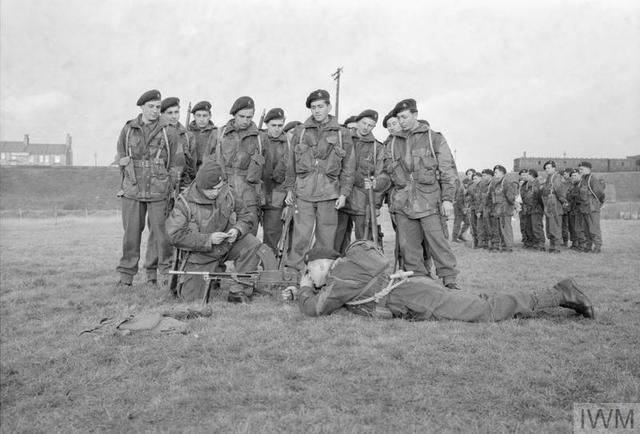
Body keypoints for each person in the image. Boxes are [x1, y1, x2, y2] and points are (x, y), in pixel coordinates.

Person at [287, 242, 594, 321]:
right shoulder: (349, 268)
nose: (311, 279)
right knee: (478, 302)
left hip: (414, 298)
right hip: (415, 288)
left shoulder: (341, 275)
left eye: (310, 272)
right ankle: (554, 293)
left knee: (484, 312)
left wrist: (303, 290)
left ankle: (559, 293)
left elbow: (317, 308)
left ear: (320, 264)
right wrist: (303, 287)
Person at [385, 98, 459, 289]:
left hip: (429, 202)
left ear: (415, 115)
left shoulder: (434, 138)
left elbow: (448, 170)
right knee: (409, 247)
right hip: (403, 204)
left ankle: (449, 280)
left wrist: (448, 199)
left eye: (405, 116)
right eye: (399, 118)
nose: (401, 121)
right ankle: (419, 281)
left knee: (438, 243)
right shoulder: (392, 143)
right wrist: (376, 184)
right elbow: (385, 174)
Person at [165, 159, 262, 303]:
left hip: (225, 246)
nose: (217, 192)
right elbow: (174, 236)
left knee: (252, 244)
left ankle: (239, 290)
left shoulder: (227, 192)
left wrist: (237, 230)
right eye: (212, 189)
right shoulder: (184, 202)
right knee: (193, 300)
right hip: (201, 254)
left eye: (219, 187)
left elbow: (247, 216)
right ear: (201, 186)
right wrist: (208, 239)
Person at [282, 89, 355, 271]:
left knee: (326, 239)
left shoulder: (342, 133)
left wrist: (344, 194)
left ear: (328, 107)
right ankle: (294, 273)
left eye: (320, 106)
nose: (317, 110)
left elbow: (349, 167)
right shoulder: (300, 131)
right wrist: (290, 189)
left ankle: (321, 274)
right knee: (300, 237)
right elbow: (290, 164)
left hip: (330, 193)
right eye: (313, 107)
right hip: (304, 193)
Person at [115, 89, 181, 288]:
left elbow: (176, 164)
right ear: (142, 107)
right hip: (133, 191)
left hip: (159, 191)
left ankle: (164, 276)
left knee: (163, 236)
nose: (154, 111)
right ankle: (126, 277)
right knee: (131, 236)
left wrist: (171, 188)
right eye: (150, 107)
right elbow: (120, 156)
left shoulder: (169, 131)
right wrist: (123, 166)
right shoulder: (128, 129)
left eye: (158, 107)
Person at [334, 109, 390, 254]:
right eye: (364, 123)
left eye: (370, 125)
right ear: (357, 122)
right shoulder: (344, 141)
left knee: (365, 242)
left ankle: (365, 272)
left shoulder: (378, 148)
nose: (366, 127)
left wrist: (376, 205)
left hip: (363, 203)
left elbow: (381, 177)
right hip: (340, 199)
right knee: (336, 240)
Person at [211, 96, 265, 235]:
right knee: (221, 233)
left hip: (249, 195)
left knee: (249, 234)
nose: (246, 121)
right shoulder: (219, 134)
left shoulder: (260, 138)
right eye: (242, 116)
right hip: (223, 192)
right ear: (234, 114)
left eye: (249, 117)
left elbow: (266, 171)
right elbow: (207, 166)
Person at [260, 108, 291, 254]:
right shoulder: (258, 140)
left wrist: (287, 201)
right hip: (256, 193)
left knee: (272, 235)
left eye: (280, 125)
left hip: (277, 196)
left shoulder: (290, 144)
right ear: (267, 124)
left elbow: (293, 174)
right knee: (248, 233)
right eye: (273, 125)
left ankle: (268, 267)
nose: (277, 129)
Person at [487, 165, 518, 252]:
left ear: (502, 172)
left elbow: (511, 197)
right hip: (498, 210)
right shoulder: (497, 183)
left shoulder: (506, 182)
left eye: (496, 172)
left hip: (505, 210)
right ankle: (504, 246)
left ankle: (508, 247)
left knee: (506, 228)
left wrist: (513, 206)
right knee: (501, 229)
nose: (494, 174)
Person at [541, 160, 568, 253]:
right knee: (550, 227)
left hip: (555, 206)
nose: (547, 170)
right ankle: (552, 246)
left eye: (548, 168)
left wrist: (564, 202)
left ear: (554, 168)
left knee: (555, 227)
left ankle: (556, 247)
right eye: (546, 168)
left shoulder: (556, 178)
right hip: (549, 206)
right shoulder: (549, 178)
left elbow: (560, 191)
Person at [577, 161, 605, 253]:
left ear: (588, 169)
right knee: (586, 229)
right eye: (579, 169)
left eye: (582, 169)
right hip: (584, 209)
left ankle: (597, 247)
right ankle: (588, 246)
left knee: (594, 228)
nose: (580, 171)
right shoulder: (583, 180)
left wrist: (599, 204)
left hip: (592, 208)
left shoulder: (592, 179)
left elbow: (600, 193)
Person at [187, 100, 218, 171]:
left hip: (208, 171)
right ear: (194, 116)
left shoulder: (216, 133)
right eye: (198, 115)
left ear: (210, 116)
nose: (201, 119)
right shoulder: (187, 133)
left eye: (205, 115)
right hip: (190, 171)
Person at [520, 169, 545, 251]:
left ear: (531, 175)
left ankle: (540, 244)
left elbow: (540, 198)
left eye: (527, 175)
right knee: (528, 227)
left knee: (536, 227)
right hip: (527, 209)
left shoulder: (538, 184)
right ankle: (532, 242)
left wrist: (540, 207)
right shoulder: (526, 184)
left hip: (536, 209)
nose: (525, 176)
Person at [452, 170, 474, 242]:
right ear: (464, 184)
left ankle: (461, 235)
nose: (468, 186)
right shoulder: (461, 189)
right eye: (467, 184)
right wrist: (463, 209)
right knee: (457, 223)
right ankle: (454, 238)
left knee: (467, 222)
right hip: (458, 208)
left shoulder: (469, 188)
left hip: (464, 208)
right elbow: (459, 201)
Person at [566, 169, 585, 251]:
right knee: (572, 228)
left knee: (579, 228)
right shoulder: (572, 185)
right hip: (572, 209)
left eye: (575, 175)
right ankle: (575, 243)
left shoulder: (582, 185)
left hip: (579, 210)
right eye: (572, 176)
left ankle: (582, 245)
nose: (573, 177)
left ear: (580, 176)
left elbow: (582, 197)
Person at [477, 169, 494, 249]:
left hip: (492, 209)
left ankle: (494, 243)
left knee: (492, 226)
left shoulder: (494, 184)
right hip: (485, 208)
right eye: (482, 175)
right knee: (487, 226)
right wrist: (480, 210)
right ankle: (488, 243)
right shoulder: (483, 185)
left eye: (484, 175)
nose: (483, 177)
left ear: (490, 175)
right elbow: (482, 199)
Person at [466, 172, 482, 248]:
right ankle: (475, 242)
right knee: (473, 226)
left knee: (480, 227)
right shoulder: (471, 187)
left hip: (480, 209)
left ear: (480, 178)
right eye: (473, 178)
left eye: (476, 178)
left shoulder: (483, 186)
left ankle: (481, 243)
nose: (474, 180)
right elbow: (469, 198)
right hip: (472, 209)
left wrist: (479, 210)